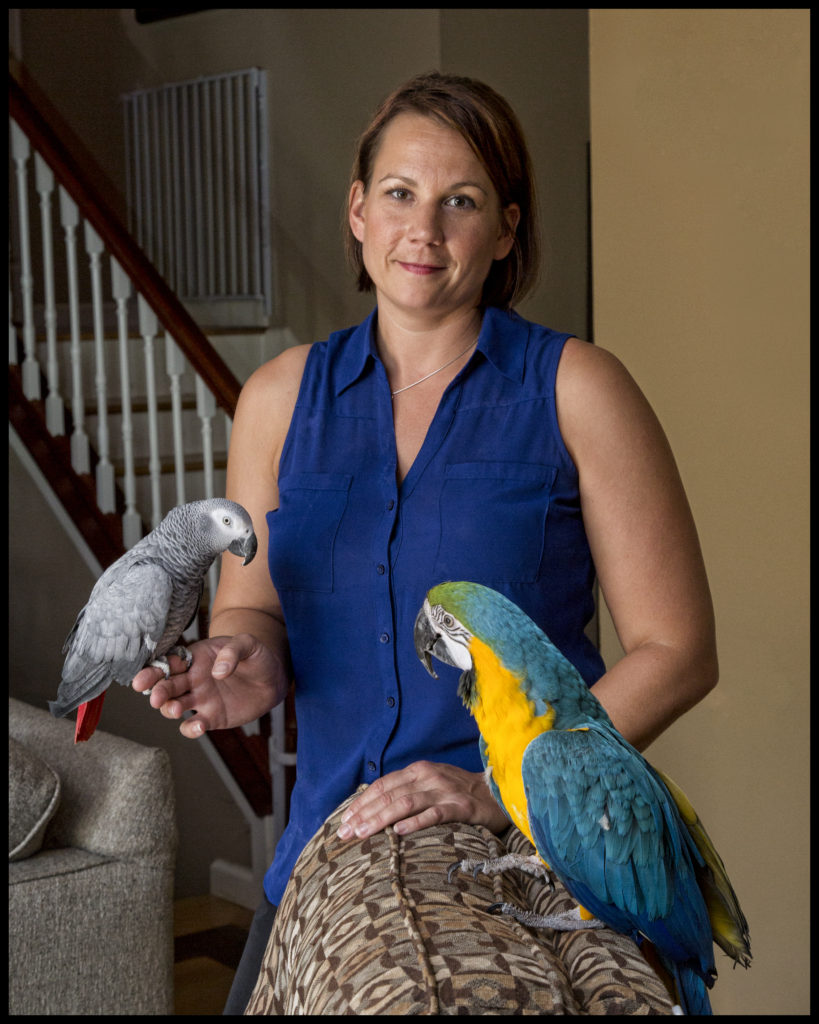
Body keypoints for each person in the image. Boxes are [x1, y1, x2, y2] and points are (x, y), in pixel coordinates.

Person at [132, 71, 718, 1013]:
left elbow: (678, 650)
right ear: (359, 211)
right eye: (400, 194)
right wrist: (247, 658)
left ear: (506, 230)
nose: (426, 230)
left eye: (463, 202)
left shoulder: (578, 389)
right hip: (331, 840)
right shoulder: (277, 401)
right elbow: (253, 605)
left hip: (550, 846)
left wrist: (499, 787)